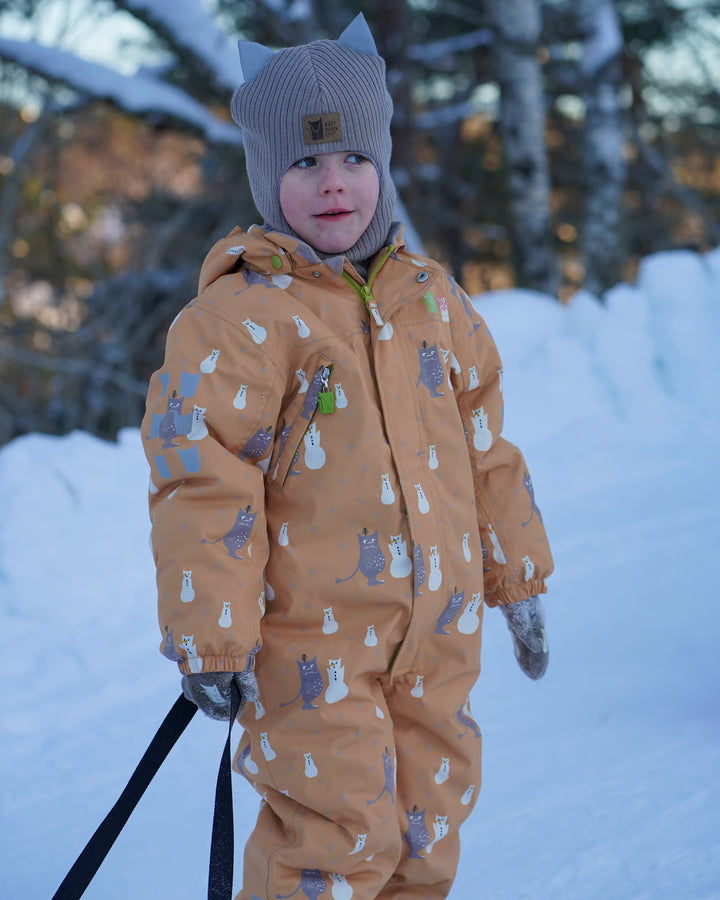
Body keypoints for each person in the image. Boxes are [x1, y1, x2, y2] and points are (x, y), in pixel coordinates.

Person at [142, 13, 553, 900]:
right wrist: (212, 636)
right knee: (334, 846)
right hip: (309, 655)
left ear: (384, 163)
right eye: (305, 163)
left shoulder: (434, 302)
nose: (336, 184)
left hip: (438, 643)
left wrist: (516, 574)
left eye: (355, 160)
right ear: (265, 173)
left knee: (427, 838)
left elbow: (487, 449)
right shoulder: (238, 320)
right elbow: (201, 481)